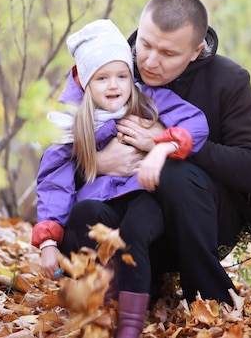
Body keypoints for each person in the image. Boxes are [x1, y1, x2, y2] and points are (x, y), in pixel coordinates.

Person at [91, 0, 251, 306]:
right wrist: (97, 162)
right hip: (127, 217)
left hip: (205, 223)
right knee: (86, 205)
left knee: (175, 172)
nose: (150, 61)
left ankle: (210, 300)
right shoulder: (112, 71)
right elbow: (57, 152)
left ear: (195, 51)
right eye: (146, 44)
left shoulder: (228, 80)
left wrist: (167, 141)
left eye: (167, 54)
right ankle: (121, 290)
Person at [31, 19, 209, 338]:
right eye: (102, 78)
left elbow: (196, 122)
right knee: (84, 213)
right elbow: (54, 182)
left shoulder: (147, 100)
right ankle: (108, 294)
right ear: (86, 82)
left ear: (131, 76)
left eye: (121, 76)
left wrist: (162, 146)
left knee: (133, 233)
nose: (113, 86)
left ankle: (129, 326)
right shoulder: (74, 124)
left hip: (147, 196)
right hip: (104, 204)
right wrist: (46, 242)